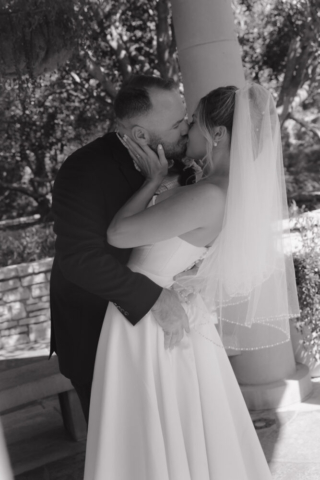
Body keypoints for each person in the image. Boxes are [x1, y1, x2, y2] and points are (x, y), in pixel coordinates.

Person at [83, 83, 299, 479]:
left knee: (149, 433)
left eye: (193, 123)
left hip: (147, 319)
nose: (187, 132)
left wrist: (153, 179)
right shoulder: (218, 189)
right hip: (166, 307)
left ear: (217, 134)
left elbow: (117, 234)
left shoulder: (208, 196)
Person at [49, 75, 196, 422]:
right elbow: (80, 260)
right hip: (96, 333)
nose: (187, 127)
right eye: (177, 123)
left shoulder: (180, 160)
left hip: (162, 337)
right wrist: (158, 298)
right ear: (141, 135)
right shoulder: (83, 169)